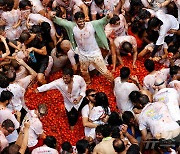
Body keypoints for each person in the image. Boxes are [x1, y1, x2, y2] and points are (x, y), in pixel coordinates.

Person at [52, 11, 114, 84]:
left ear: (85, 19)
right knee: (83, 71)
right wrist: (54, 17)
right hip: (83, 54)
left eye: (83, 21)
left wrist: (108, 16)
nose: (81, 23)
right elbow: (62, 22)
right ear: (75, 20)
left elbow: (103, 21)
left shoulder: (92, 25)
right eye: (79, 22)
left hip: (95, 53)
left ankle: (113, 82)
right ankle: (88, 82)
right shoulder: (72, 27)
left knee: (104, 71)